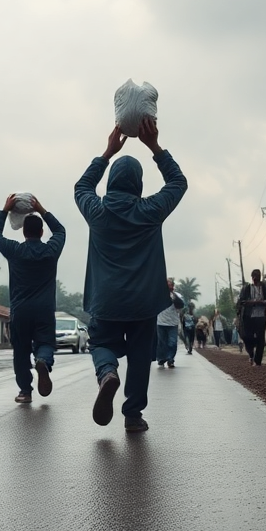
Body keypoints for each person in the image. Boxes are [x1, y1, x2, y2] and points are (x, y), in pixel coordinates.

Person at [75, 117, 187, 432]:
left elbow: (82, 187)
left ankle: (107, 372)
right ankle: (133, 416)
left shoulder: (96, 211)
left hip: (106, 300)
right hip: (143, 302)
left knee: (100, 343)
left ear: (111, 181)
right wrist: (154, 146)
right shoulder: (150, 211)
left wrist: (107, 153)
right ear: (138, 183)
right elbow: (178, 183)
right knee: (139, 357)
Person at [0, 194, 66, 403]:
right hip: (45, 310)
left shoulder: (15, 250)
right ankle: (43, 361)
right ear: (41, 232)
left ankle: (25, 392)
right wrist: (41, 209)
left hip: (21, 310)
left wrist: (4, 210)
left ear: (23, 231)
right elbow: (60, 231)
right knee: (45, 343)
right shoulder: (51, 251)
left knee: (21, 351)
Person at [237, 269, 266, 366]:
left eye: (258, 276)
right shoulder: (246, 288)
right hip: (248, 316)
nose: (256, 279)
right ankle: (251, 354)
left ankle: (258, 361)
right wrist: (254, 302)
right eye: (255, 277)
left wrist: (264, 303)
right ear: (252, 277)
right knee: (247, 337)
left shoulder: (264, 287)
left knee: (261, 339)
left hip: (261, 316)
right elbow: (242, 301)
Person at [155, 278, 183, 369]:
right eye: (167, 284)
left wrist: (174, 297)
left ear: (173, 286)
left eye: (170, 284)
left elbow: (181, 305)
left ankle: (170, 359)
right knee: (161, 343)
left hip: (173, 324)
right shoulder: (158, 295)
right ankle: (161, 359)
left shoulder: (177, 295)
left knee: (172, 343)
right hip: (160, 322)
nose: (168, 286)